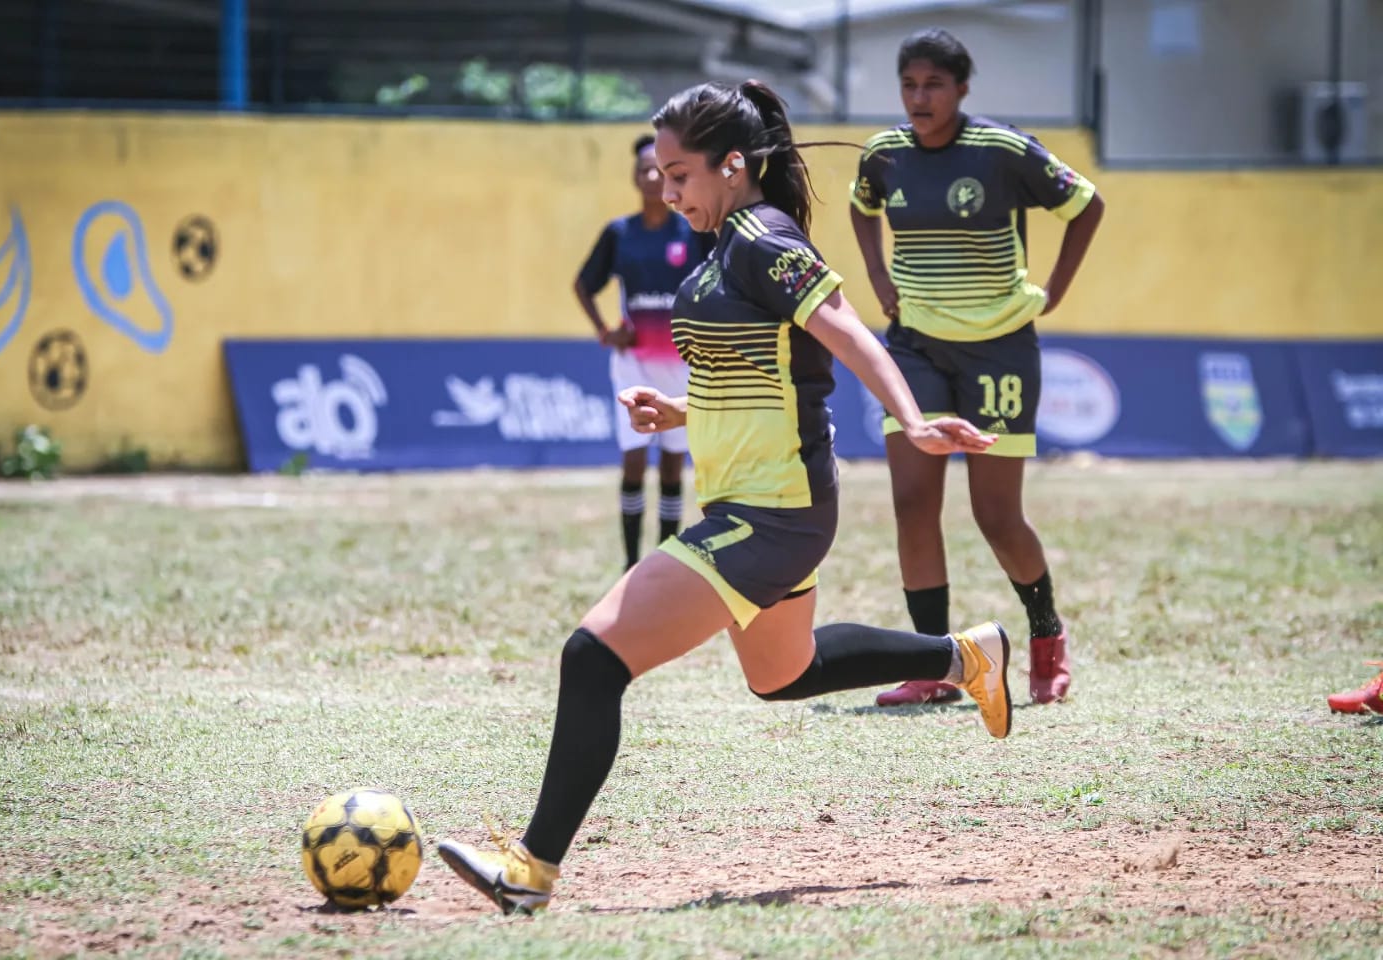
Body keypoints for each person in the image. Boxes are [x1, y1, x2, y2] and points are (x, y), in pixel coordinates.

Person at [437, 80, 1011, 916]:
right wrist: (678, 408)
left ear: (733, 165)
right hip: (754, 503)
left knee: (592, 659)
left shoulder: (762, 237)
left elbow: (846, 328)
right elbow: (759, 374)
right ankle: (965, 657)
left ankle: (530, 870)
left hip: (773, 513)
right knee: (785, 674)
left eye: (680, 174)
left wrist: (912, 417)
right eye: (661, 176)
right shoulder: (721, 243)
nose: (667, 192)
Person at [849, 29, 1105, 708]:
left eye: (934, 84)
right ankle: (938, 665)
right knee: (911, 504)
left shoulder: (1003, 151)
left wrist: (1056, 287)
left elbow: (1087, 206)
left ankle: (1046, 634)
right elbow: (860, 204)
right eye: (909, 84)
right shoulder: (885, 154)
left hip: (999, 347)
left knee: (995, 514)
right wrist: (876, 272)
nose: (919, 97)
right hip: (915, 347)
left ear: (963, 88)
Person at [574, 135, 712, 570]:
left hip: (681, 365)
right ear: (633, 177)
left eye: (661, 169)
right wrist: (604, 331)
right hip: (632, 364)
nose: (652, 177)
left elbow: (717, 282)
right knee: (634, 462)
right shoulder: (620, 233)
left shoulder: (693, 230)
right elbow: (584, 284)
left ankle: (664, 562)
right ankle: (631, 564)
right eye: (643, 170)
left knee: (673, 465)